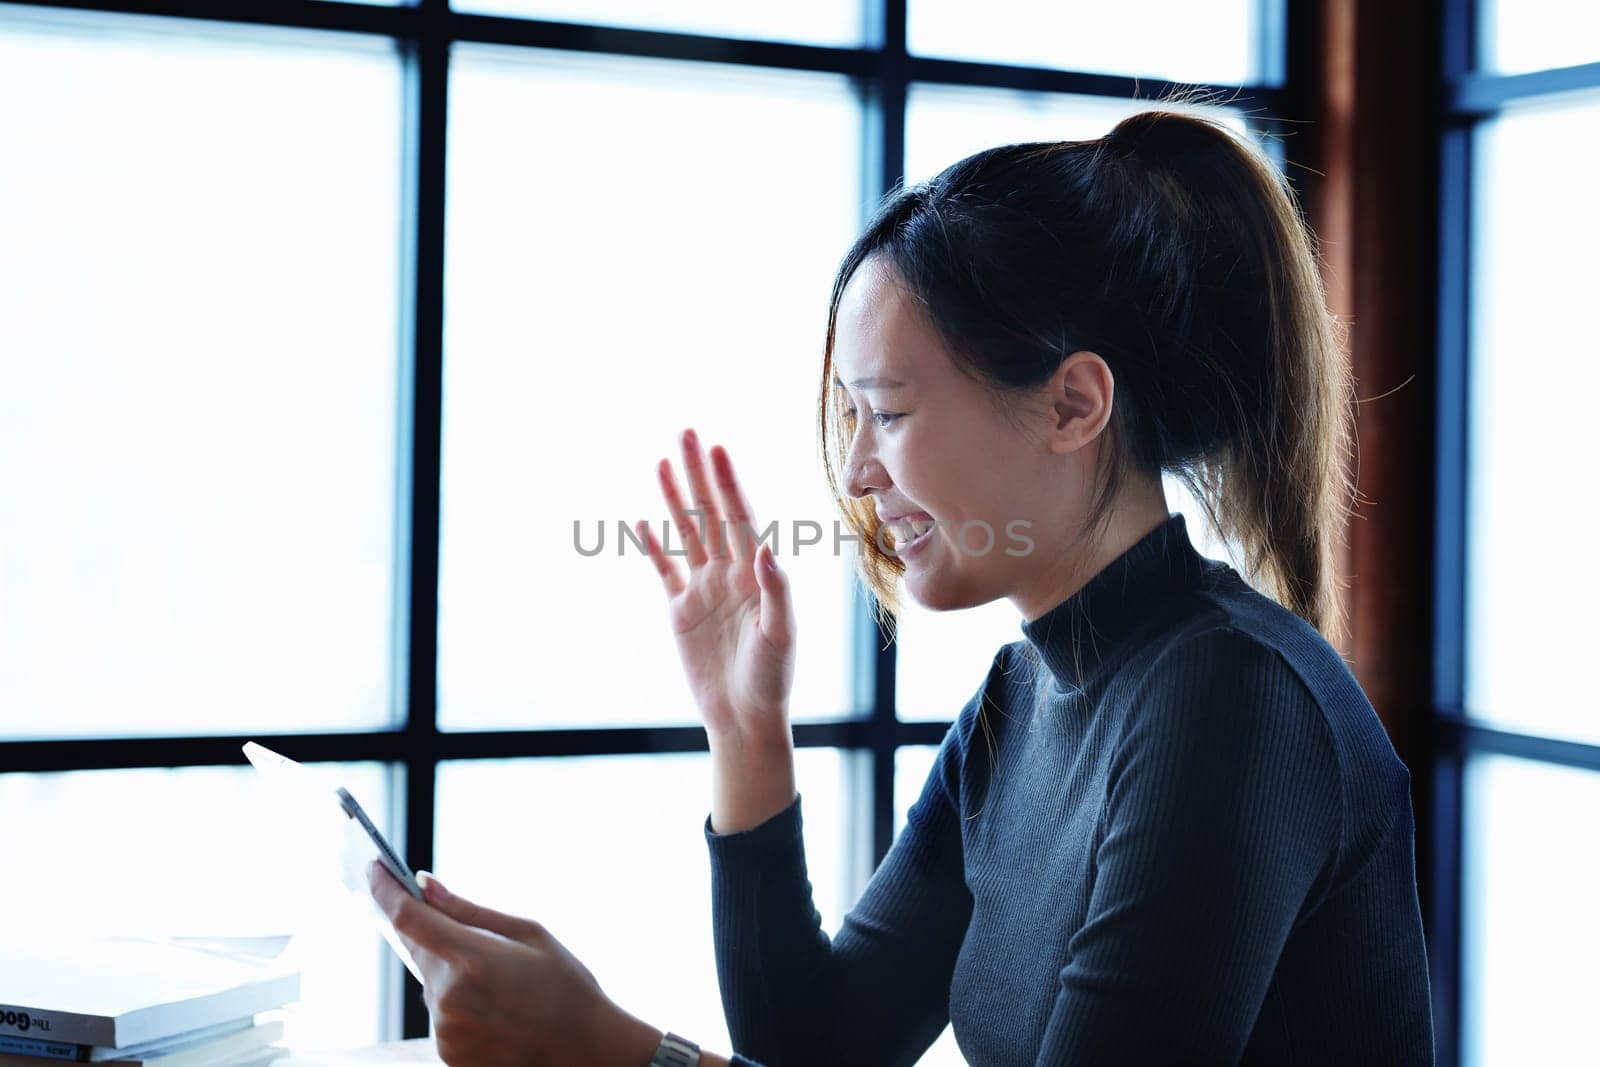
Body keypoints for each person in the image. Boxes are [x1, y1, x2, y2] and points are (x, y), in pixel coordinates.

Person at [368, 104, 1435, 1066]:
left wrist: (607, 1050)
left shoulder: (1231, 702)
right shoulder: (1021, 700)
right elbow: (820, 1042)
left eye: (887, 409)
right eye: (851, 417)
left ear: (1073, 404)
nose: (855, 471)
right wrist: (747, 731)